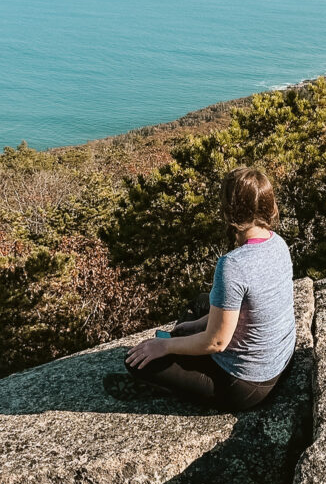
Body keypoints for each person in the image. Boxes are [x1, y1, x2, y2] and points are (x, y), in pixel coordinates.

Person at [123, 166, 295, 412]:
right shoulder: (278, 243)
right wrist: (194, 326)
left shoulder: (233, 266)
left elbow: (216, 343)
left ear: (229, 210)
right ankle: (185, 337)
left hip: (246, 385)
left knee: (136, 362)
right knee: (202, 302)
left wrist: (165, 346)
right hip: (280, 360)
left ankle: (175, 361)